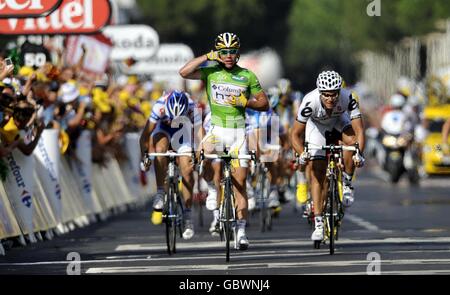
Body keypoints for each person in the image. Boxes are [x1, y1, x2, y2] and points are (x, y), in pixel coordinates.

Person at [179, 32, 269, 250]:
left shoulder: (247, 75)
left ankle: (240, 231)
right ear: (219, 53)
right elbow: (184, 72)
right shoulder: (211, 71)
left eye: (232, 52)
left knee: (240, 185)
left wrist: (245, 101)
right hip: (217, 130)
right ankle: (211, 187)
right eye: (224, 52)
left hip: (238, 133)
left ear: (238, 53)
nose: (228, 56)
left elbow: (264, 103)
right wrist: (207, 56)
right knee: (202, 155)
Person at [290, 70, 365, 242]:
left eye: (334, 95)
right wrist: (302, 154)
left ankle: (346, 183)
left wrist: (359, 154)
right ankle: (318, 223)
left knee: (352, 143)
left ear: (340, 92)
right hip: (316, 127)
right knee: (317, 173)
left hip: (340, 121)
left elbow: (360, 131)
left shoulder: (349, 98)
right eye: (326, 95)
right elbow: (294, 134)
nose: (330, 98)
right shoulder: (310, 101)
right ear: (320, 93)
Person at [139, 90, 201, 240]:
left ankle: (187, 214)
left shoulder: (193, 107)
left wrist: (199, 152)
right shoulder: (159, 105)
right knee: (160, 149)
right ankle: (161, 192)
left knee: (187, 169)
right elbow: (145, 136)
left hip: (183, 132)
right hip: (164, 130)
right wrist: (145, 158)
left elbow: (200, 134)